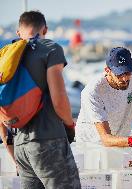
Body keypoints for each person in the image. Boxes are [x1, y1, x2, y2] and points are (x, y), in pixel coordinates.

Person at [0, 11, 81, 189]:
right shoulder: (50, 49)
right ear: (45, 29)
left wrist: (13, 152)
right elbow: (59, 98)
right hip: (49, 139)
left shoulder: (6, 57)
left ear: (18, 33)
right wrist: (69, 126)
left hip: (21, 147)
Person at [76, 47, 132, 148]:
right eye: (119, 74)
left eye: (128, 72)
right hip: (91, 145)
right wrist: (131, 141)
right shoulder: (93, 91)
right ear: (107, 70)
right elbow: (106, 138)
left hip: (120, 140)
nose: (125, 78)